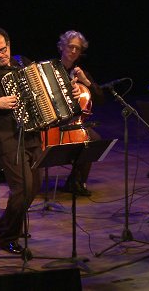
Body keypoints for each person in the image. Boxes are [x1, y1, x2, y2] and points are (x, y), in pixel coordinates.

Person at [0, 27, 81, 255]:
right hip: (7, 139)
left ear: (9, 44)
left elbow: (49, 86)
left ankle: (5, 225)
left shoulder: (21, 62)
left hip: (32, 134)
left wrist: (70, 89)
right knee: (23, 188)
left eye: (3, 49)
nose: (0, 55)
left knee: (34, 186)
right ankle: (8, 237)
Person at [55, 30, 104, 196]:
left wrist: (85, 81)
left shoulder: (79, 72)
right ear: (62, 47)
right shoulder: (52, 69)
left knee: (94, 140)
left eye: (78, 48)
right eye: (70, 47)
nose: (74, 51)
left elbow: (100, 98)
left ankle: (76, 181)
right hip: (55, 122)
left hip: (74, 123)